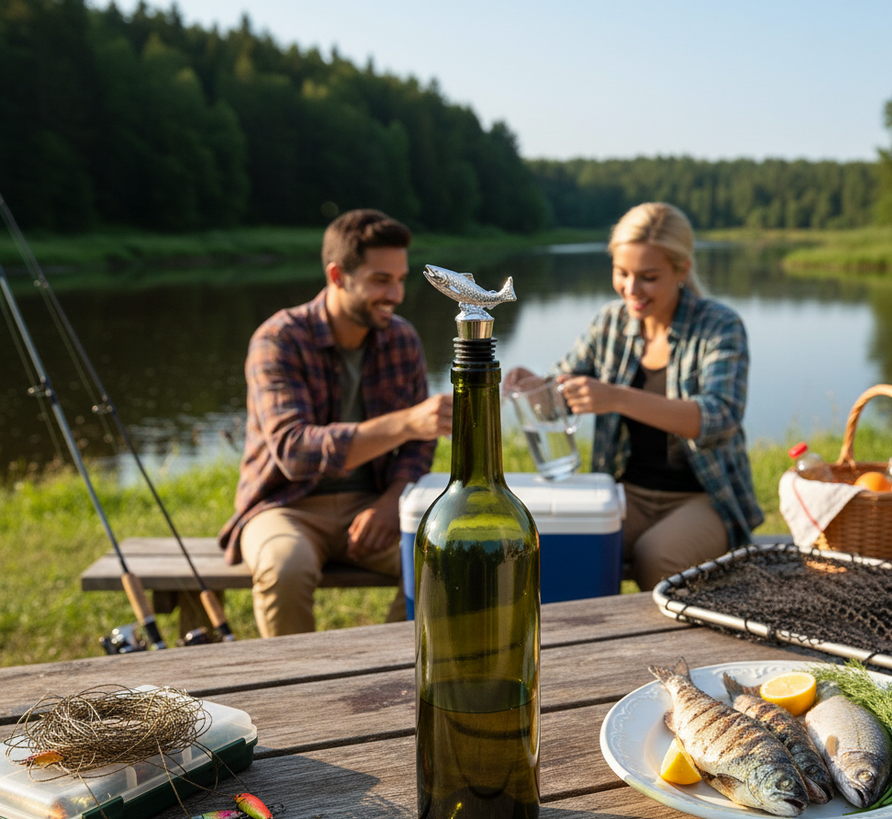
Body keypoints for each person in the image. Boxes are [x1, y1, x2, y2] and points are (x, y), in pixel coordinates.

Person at [219, 209, 452, 636]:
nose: (397, 294)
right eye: (381, 280)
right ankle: (299, 692)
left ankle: (392, 670)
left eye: (401, 279)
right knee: (284, 570)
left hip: (374, 503)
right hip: (284, 506)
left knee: (440, 559)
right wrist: (404, 423)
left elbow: (419, 451)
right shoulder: (278, 338)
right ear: (337, 275)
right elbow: (295, 453)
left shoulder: (402, 338)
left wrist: (390, 502)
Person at [506, 202, 763, 590]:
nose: (631, 289)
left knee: (657, 556)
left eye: (648, 277)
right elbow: (559, 396)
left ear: (682, 270)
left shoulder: (720, 326)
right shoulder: (609, 322)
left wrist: (617, 397)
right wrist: (534, 388)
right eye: (621, 273)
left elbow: (718, 416)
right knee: (556, 546)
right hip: (625, 494)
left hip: (703, 498)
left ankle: (666, 653)